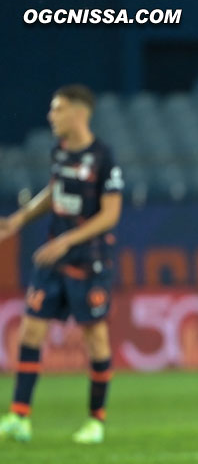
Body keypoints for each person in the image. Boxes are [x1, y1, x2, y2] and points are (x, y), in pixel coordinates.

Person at [0, 85, 123, 444]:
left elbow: (111, 215)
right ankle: (20, 417)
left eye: (58, 110)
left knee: (95, 340)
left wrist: (67, 240)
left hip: (89, 261)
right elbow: (55, 191)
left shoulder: (103, 157)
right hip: (54, 256)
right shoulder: (61, 152)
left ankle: (95, 421)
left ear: (79, 113)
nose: (51, 116)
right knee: (30, 331)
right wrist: (19, 219)